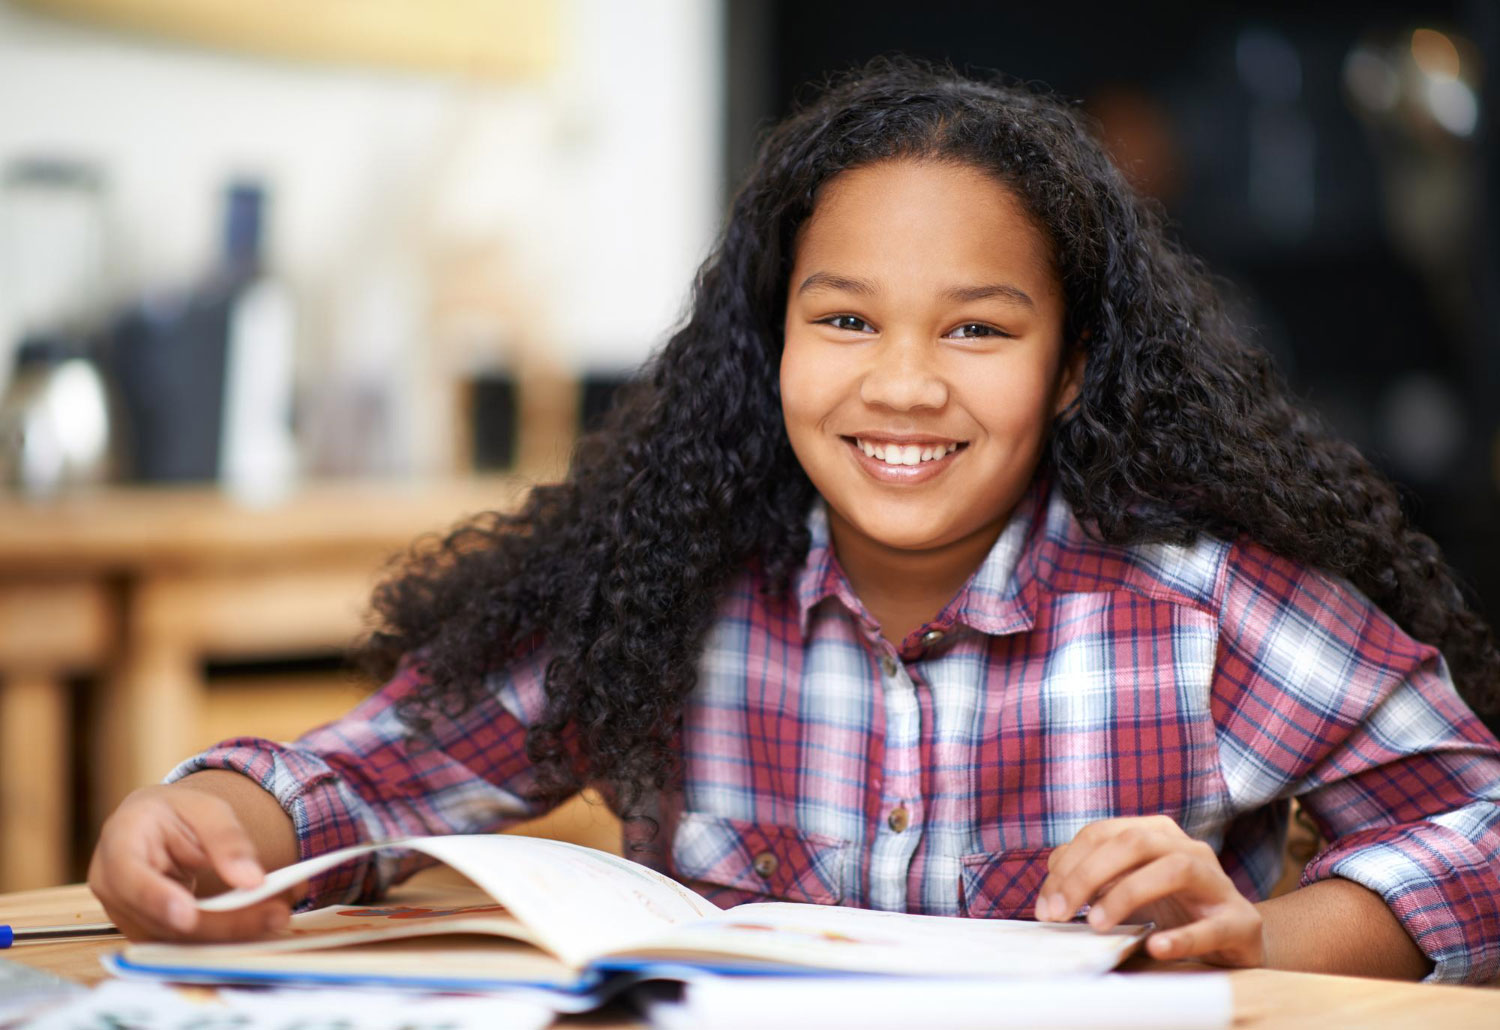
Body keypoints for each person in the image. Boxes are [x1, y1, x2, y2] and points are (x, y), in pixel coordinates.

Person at [88, 58, 1500, 984]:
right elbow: (385, 767)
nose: (900, 381)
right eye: (843, 319)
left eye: (977, 327)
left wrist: (1263, 938)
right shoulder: (665, 591)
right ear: (772, 342)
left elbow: (1480, 816)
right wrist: (213, 810)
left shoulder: (1197, 610)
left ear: (1071, 366)